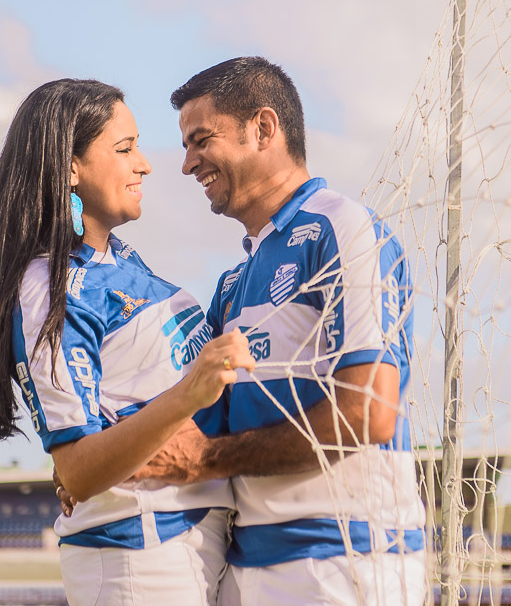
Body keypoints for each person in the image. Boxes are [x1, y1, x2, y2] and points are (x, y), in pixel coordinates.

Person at [0, 79, 255, 606]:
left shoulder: (121, 260)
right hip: (137, 560)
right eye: (124, 148)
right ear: (70, 167)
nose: (146, 164)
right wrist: (188, 394)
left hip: (196, 544)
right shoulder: (49, 287)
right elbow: (79, 470)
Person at [137, 57, 428, 605]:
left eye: (201, 140)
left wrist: (208, 459)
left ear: (263, 128)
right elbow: (198, 429)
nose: (186, 164)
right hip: (249, 563)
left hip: (344, 560)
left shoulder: (340, 228)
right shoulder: (233, 283)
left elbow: (368, 410)